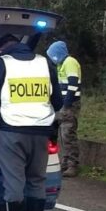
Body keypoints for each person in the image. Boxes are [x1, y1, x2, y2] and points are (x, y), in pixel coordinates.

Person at [0, 34, 63, 211]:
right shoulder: (45, 64)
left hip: (13, 131)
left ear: (2, 49)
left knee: (14, 182)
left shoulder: (2, 65)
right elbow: (58, 101)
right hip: (42, 132)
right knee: (37, 181)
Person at [46, 41, 82, 177]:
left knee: (68, 134)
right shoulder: (62, 64)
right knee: (62, 135)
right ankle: (65, 163)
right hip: (64, 105)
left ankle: (73, 165)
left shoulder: (70, 62)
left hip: (70, 105)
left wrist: (66, 104)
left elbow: (73, 84)